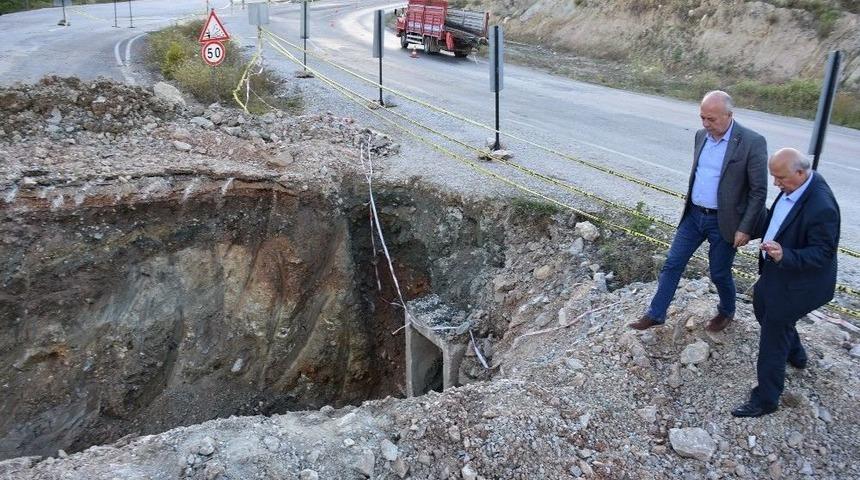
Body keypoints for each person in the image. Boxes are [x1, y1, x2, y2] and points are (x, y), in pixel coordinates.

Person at [629, 91, 767, 331]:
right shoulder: (701, 136)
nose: (705, 124)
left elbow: (758, 191)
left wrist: (745, 227)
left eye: (711, 119)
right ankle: (656, 313)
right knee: (672, 263)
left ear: (729, 115)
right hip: (693, 216)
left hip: (725, 221)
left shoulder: (751, 142)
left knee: (719, 272)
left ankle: (726, 311)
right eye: (702, 118)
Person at [731, 148, 840, 417]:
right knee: (761, 308)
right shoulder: (796, 186)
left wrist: (786, 255)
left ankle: (766, 399)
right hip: (777, 272)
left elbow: (824, 253)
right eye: (774, 177)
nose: (776, 184)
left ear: (800, 173)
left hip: (800, 282)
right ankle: (797, 355)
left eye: (780, 178)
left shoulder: (822, 206)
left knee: (773, 333)